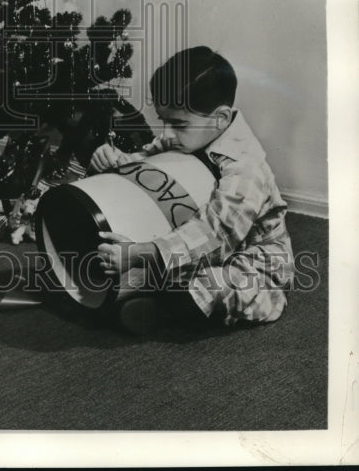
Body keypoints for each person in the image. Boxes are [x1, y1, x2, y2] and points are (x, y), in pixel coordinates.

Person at [90, 46, 294, 334]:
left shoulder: (245, 168)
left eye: (177, 124)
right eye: (164, 121)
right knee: (163, 262)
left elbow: (215, 234)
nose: (167, 133)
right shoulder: (188, 136)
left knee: (213, 287)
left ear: (220, 118)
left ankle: (167, 313)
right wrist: (119, 160)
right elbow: (149, 163)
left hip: (250, 262)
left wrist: (140, 253)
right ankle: (161, 289)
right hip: (193, 246)